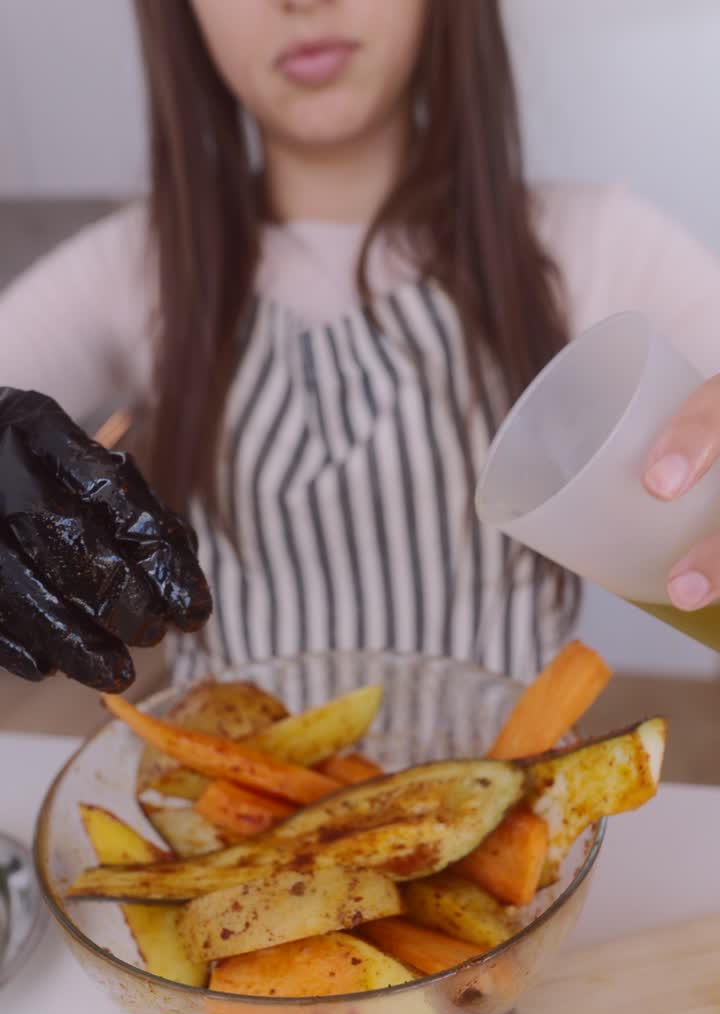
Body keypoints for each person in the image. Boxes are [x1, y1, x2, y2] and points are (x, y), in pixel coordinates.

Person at [1, 0, 719, 693]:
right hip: (226, 812)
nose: (304, 1)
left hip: (515, 807)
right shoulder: (136, 267)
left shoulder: (597, 244)